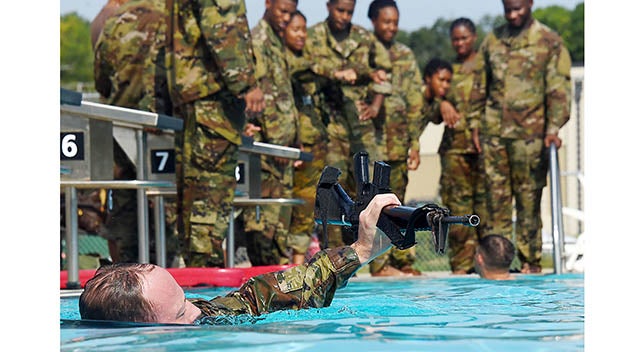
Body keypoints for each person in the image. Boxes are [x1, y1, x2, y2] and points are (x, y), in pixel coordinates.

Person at [79, 193, 401, 324]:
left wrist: (359, 251)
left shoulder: (204, 316)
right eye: (182, 313)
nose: (199, 311)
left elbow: (262, 295)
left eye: (187, 299)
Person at [167, 0, 265, 268]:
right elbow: (222, 28)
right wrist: (246, 84)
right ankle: (204, 277)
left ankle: (198, 270)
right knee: (208, 195)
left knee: (194, 192)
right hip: (213, 102)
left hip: (198, 98)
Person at [476, 0, 572, 273]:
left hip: (531, 137)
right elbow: (479, 86)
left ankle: (531, 264)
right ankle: (497, 266)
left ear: (530, 4)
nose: (513, 14)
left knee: (529, 203)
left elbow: (559, 90)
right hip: (494, 135)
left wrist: (553, 127)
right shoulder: (493, 39)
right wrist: (475, 126)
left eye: (518, 8)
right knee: (496, 205)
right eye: (508, 8)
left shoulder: (549, 41)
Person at [92, 0, 179, 265]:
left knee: (125, 204)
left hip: (122, 125)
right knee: (168, 206)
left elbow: (102, 80)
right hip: (166, 126)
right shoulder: (174, 18)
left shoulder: (114, 22)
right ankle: (169, 271)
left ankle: (126, 273)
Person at [305, 0, 391, 249]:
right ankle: (332, 254)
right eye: (340, 10)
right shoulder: (313, 37)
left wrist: (375, 105)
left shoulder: (364, 37)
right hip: (327, 126)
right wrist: (335, 73)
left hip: (359, 128)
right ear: (328, 6)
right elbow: (302, 67)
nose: (344, 16)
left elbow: (384, 73)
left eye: (349, 12)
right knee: (331, 191)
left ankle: (370, 252)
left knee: (367, 191)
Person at [365, 0, 423, 276]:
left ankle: (401, 260)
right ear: (373, 21)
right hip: (372, 142)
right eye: (386, 21)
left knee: (398, 204)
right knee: (374, 203)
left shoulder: (405, 55)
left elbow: (415, 101)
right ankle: (379, 264)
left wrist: (415, 143)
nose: (391, 27)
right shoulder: (364, 53)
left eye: (395, 22)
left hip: (399, 143)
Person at [243, 0, 299, 266]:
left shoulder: (277, 42)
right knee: (263, 224)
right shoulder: (259, 40)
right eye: (282, 11)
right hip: (266, 150)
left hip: (283, 150)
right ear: (267, 4)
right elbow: (249, 89)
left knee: (279, 227)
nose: (286, 18)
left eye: (291, 12)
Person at [435, 17, 488, 275]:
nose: (459, 43)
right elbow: (429, 99)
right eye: (455, 38)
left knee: (488, 210)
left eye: (464, 38)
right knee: (457, 212)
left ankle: (490, 263)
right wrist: (441, 103)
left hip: (485, 149)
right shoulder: (448, 72)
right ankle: (461, 267)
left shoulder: (487, 67)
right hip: (455, 151)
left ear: (474, 37)